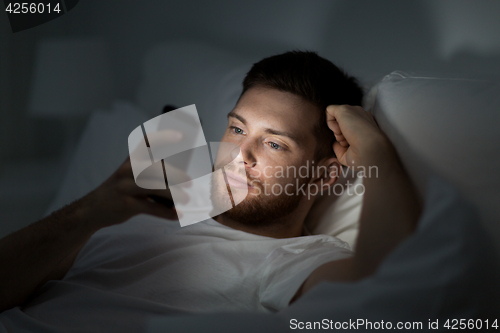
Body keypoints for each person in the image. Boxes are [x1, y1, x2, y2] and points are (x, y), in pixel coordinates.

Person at [0, 51, 420, 329]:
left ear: (326, 175)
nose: (241, 154)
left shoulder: (300, 260)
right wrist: (89, 212)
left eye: (274, 143)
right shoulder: (131, 210)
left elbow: (392, 293)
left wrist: (375, 149)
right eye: (237, 128)